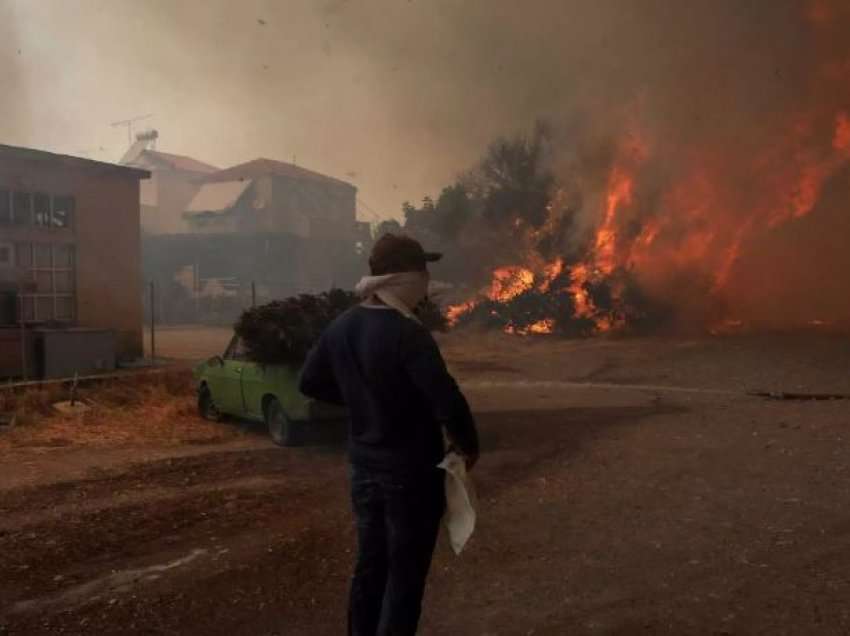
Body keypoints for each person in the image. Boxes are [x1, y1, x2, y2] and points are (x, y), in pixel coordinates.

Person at [299, 233, 479, 636]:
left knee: (371, 566)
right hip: (410, 474)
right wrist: (469, 446)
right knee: (404, 576)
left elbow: (309, 381)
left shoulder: (342, 326)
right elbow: (446, 399)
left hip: (363, 469)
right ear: (406, 278)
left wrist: (362, 401)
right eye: (422, 271)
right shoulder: (407, 333)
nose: (427, 279)